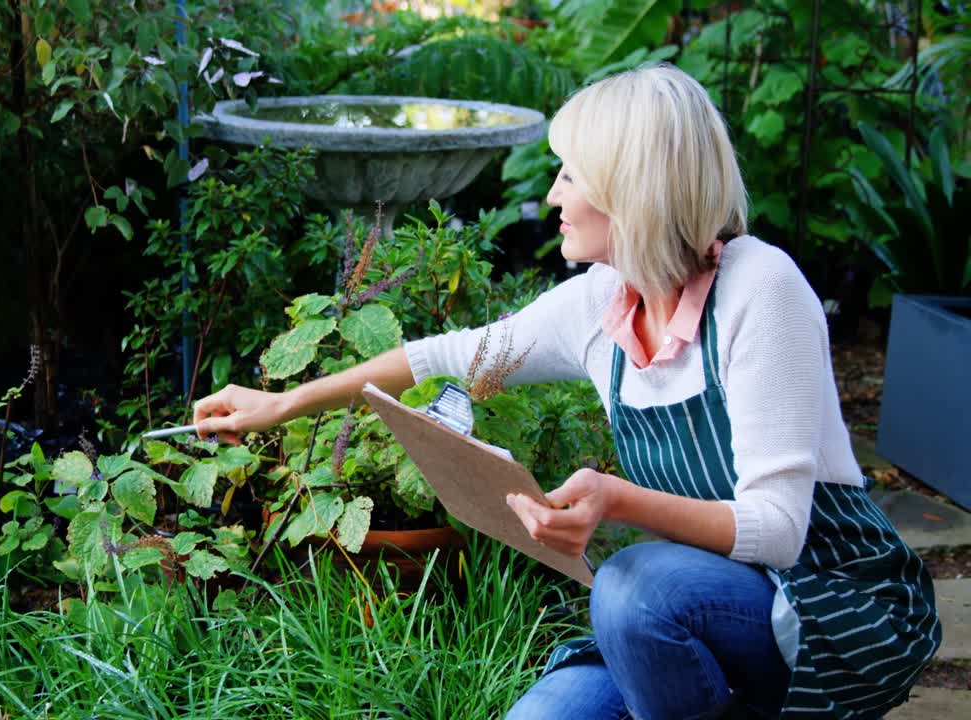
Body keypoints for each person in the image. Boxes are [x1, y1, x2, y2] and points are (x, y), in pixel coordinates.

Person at [191, 64, 941, 719]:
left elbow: (778, 530)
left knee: (629, 585)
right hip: (700, 610)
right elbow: (442, 356)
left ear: (630, 189)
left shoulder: (760, 289)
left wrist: (614, 499)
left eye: (571, 175)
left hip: (832, 606)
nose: (552, 194)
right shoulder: (600, 302)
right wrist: (282, 403)